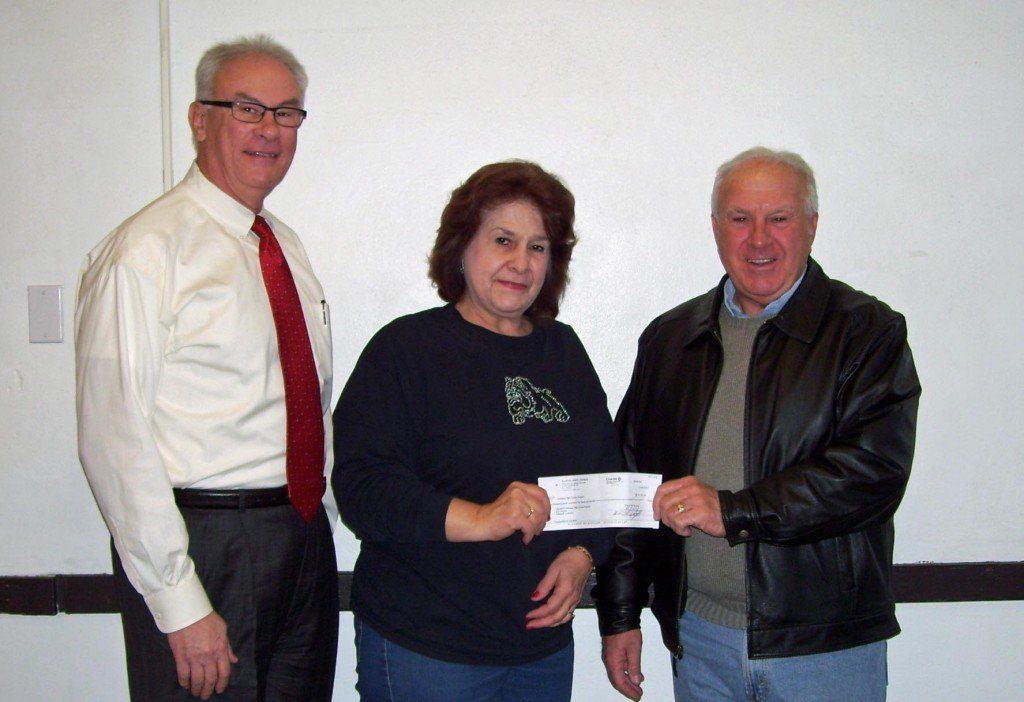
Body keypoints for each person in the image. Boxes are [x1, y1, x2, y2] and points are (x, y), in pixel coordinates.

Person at [594, 147, 921, 701]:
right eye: (741, 219)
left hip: (824, 649)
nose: (760, 239)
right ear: (717, 230)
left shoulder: (867, 332)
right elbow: (633, 480)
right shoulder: (672, 339)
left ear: (812, 226)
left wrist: (732, 510)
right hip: (699, 641)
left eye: (780, 218)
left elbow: (872, 475)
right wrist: (620, 614)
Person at [75, 36, 337, 701]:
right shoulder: (144, 253)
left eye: (287, 113)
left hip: (299, 536)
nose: (270, 130)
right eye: (248, 108)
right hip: (204, 544)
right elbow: (114, 440)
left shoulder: (285, 247)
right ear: (199, 119)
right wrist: (178, 600)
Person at [332, 160, 619, 701]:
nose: (521, 262)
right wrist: (481, 518)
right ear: (462, 247)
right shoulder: (406, 350)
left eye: (538, 247)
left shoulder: (565, 352)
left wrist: (584, 556)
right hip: (427, 650)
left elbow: (605, 478)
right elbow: (363, 490)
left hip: (541, 651)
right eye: (503, 240)